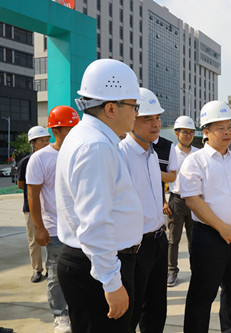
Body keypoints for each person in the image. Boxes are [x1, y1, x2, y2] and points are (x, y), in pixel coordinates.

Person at [55, 59, 144, 333]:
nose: (136, 114)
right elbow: (95, 223)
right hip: (97, 269)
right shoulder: (95, 146)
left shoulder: (91, 137)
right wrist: (111, 282)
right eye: (134, 106)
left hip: (94, 263)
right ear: (111, 108)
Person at [179, 101, 231, 333]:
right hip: (209, 237)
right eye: (220, 128)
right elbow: (193, 200)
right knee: (202, 294)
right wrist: (222, 228)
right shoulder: (195, 161)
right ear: (206, 132)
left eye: (230, 127)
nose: (227, 133)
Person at [118, 87, 169, 332]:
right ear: (131, 120)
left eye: (157, 118)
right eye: (147, 118)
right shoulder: (121, 155)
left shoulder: (151, 155)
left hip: (159, 241)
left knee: (157, 309)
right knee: (132, 311)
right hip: (135, 248)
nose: (155, 124)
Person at [26, 105, 80, 333]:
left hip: (82, 228)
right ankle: (60, 315)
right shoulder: (40, 159)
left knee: (84, 273)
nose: (74, 133)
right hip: (56, 228)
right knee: (57, 274)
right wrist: (39, 228)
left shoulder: (80, 152)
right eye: (69, 129)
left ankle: (79, 310)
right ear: (56, 130)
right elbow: (32, 194)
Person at [166, 115, 198, 287]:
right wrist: (164, 203)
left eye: (191, 132)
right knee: (173, 239)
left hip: (195, 202)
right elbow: (160, 177)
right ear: (176, 133)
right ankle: (172, 271)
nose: (188, 135)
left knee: (196, 239)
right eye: (184, 132)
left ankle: (197, 270)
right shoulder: (170, 153)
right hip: (176, 201)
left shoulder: (197, 154)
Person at [17, 126, 50, 283]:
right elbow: (20, 184)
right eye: (42, 141)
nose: (45, 143)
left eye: (47, 140)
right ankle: (37, 269)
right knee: (34, 240)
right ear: (33, 143)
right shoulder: (26, 162)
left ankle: (51, 267)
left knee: (54, 238)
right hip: (31, 208)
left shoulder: (53, 157)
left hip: (50, 208)